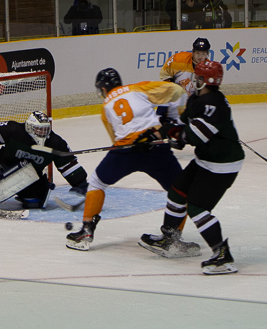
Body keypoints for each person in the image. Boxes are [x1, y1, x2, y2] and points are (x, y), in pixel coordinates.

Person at [139, 60, 244, 274]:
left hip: (222, 165)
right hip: (206, 159)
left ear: (207, 80)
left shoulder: (215, 103)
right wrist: (157, 133)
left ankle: (222, 256)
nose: (195, 80)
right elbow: (183, 124)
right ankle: (170, 239)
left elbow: (196, 136)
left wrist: (178, 136)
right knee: (177, 191)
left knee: (197, 208)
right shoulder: (198, 98)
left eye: (199, 77)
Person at [66, 68, 186, 251]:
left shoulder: (106, 108)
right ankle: (173, 239)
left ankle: (86, 231)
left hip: (127, 150)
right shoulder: (138, 88)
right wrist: (177, 120)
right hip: (156, 145)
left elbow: (115, 141)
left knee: (97, 183)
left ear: (104, 89)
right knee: (180, 190)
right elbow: (177, 91)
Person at [0, 111, 89, 212]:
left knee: (33, 202)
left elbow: (68, 164)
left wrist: (80, 183)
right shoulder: (15, 131)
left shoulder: (55, 143)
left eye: (45, 129)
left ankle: (26, 194)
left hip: (32, 175)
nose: (43, 133)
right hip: (6, 167)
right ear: (30, 127)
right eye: (39, 129)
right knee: (18, 174)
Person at [158, 37, 211, 121]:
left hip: (190, 104)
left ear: (207, 54)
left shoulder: (208, 69)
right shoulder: (179, 59)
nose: (200, 57)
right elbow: (164, 73)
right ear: (193, 52)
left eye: (203, 54)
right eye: (197, 53)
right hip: (173, 98)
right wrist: (172, 86)